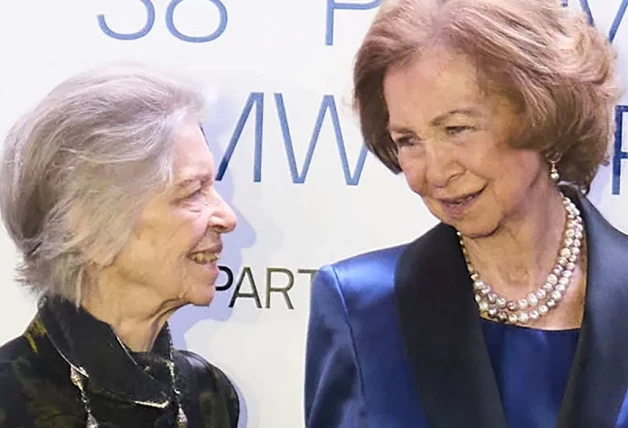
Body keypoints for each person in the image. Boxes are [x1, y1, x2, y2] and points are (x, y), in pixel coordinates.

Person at [305, 0, 628, 427]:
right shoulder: (361, 309)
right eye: (408, 140)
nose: (434, 172)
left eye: (456, 130)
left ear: (544, 114)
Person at [0, 63, 240, 427]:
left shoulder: (207, 396)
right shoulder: (10, 399)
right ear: (89, 228)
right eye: (193, 192)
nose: (227, 217)